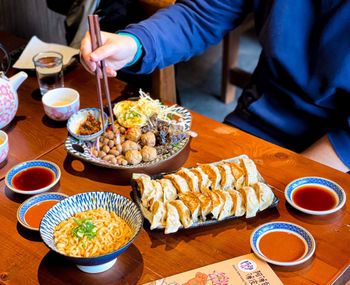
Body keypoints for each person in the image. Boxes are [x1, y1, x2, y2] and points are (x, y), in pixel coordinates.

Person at [80, 0, 350, 172]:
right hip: (260, 117)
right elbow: (203, 12)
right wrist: (135, 44)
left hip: (338, 155)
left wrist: (290, 177)